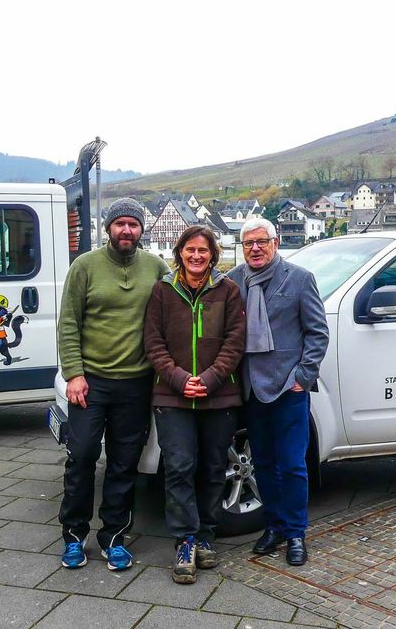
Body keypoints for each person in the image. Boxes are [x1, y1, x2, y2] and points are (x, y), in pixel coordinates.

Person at [57, 198, 169, 571]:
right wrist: (73, 373)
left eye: (133, 225)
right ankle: (74, 535)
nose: (126, 230)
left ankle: (114, 537)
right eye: (120, 223)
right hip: (91, 384)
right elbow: (69, 322)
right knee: (83, 455)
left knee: (124, 464)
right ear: (108, 228)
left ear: (141, 230)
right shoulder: (84, 267)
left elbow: (181, 301)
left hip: (136, 384)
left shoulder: (155, 267)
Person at [144, 225, 246, 584]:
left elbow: (235, 341)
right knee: (180, 467)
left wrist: (211, 379)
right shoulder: (162, 291)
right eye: (190, 250)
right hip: (172, 395)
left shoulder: (228, 291)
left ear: (213, 255)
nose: (197, 256)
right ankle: (185, 540)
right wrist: (178, 378)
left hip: (219, 395)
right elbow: (153, 342)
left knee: (213, 468)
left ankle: (205, 536)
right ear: (180, 253)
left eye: (203, 251)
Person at [227, 218, 329, 567]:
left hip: (289, 387)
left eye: (262, 241)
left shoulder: (300, 279)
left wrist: (303, 375)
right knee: (265, 465)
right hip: (251, 389)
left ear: (276, 241)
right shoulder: (232, 282)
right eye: (248, 243)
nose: (255, 248)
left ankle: (297, 533)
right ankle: (274, 526)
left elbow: (317, 333)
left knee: (293, 464)